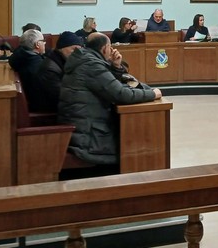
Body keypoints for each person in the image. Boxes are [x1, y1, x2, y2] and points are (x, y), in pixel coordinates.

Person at [58, 33, 161, 168]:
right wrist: (152, 94)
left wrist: (116, 66)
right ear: (105, 48)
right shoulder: (91, 64)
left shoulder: (85, 59)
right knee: (135, 149)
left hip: (81, 130)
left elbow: (110, 84)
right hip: (88, 138)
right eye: (110, 47)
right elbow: (120, 94)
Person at [31, 31, 83, 113]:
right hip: (49, 113)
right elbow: (62, 96)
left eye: (79, 50)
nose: (77, 53)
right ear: (62, 48)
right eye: (73, 49)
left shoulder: (60, 60)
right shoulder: (49, 69)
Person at [9, 29, 47, 97]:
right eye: (43, 41)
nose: (45, 43)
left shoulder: (18, 56)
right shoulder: (39, 66)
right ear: (37, 44)